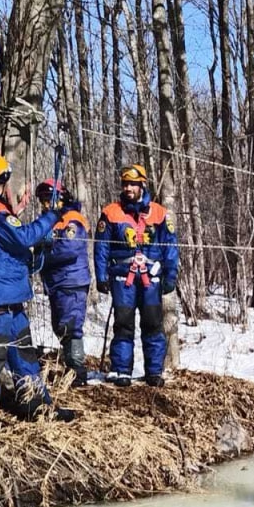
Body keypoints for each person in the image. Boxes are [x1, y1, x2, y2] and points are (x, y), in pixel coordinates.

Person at [0, 152, 74, 425]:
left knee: (24, 356)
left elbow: (10, 247)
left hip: (9, 297)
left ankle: (38, 407)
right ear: (3, 177)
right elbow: (23, 237)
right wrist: (51, 217)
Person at [94, 164, 179, 387]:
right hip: (123, 278)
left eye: (133, 184)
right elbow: (101, 246)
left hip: (151, 278)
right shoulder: (111, 212)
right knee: (123, 324)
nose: (128, 188)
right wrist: (101, 275)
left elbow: (170, 246)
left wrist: (171, 275)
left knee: (153, 323)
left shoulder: (159, 213)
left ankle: (154, 371)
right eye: (125, 184)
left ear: (142, 184)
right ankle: (121, 370)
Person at [36, 179, 91, 386]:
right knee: (60, 326)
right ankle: (72, 366)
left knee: (71, 326)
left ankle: (77, 372)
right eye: (42, 201)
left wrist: (42, 255)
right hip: (56, 282)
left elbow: (69, 248)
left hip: (72, 280)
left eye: (49, 200)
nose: (46, 205)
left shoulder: (72, 219)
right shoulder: (47, 220)